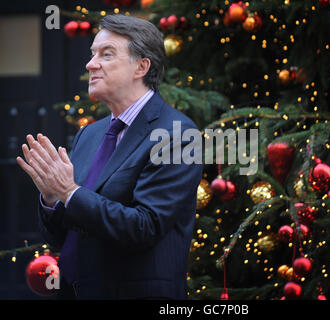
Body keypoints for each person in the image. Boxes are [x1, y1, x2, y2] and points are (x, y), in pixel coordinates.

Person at [16, 14, 202, 299]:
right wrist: (53, 199)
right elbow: (59, 239)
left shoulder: (178, 134)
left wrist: (70, 191)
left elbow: (145, 226)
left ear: (141, 66)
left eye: (106, 54)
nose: (91, 64)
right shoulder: (88, 135)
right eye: (92, 54)